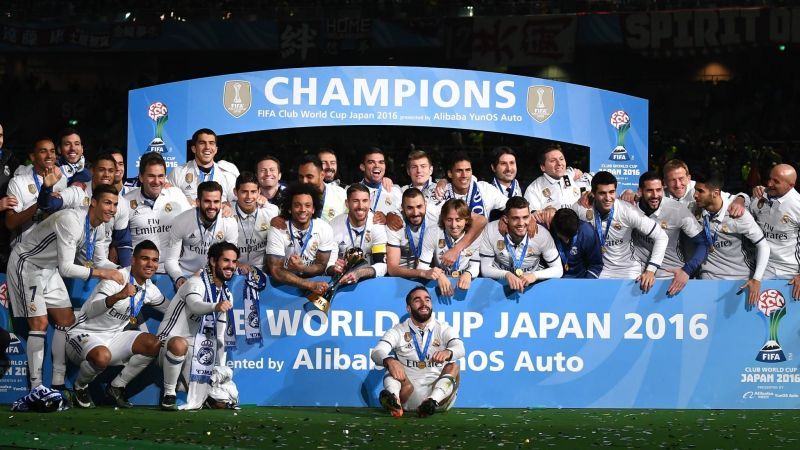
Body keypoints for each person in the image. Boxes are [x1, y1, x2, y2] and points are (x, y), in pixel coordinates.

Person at [7, 184, 124, 391]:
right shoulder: (71, 220)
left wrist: (124, 271)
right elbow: (68, 268)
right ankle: (37, 389)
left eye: (115, 204)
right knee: (40, 324)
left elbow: (99, 261)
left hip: (48, 269)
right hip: (26, 264)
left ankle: (58, 383)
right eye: (107, 203)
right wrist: (103, 273)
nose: (112, 209)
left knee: (66, 320)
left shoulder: (98, 226)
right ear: (93, 202)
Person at [66, 240, 167, 408]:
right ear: (133, 260)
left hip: (112, 338)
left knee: (153, 344)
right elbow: (91, 310)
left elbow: (171, 309)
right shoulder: (116, 278)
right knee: (101, 356)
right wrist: (118, 296)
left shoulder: (150, 289)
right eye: (145, 259)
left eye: (155, 260)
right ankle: (80, 387)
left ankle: (116, 388)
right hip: (83, 334)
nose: (150, 264)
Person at [155, 241, 238, 410]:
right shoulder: (195, 283)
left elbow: (219, 337)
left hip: (197, 349)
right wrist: (215, 306)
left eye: (234, 261)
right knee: (180, 344)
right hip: (169, 341)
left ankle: (190, 386)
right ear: (213, 262)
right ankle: (169, 393)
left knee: (220, 402)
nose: (231, 266)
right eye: (226, 261)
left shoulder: (226, 294)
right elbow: (195, 306)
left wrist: (219, 368)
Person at [371, 285, 465, 417]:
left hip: (439, 398)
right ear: (408, 308)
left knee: (453, 366)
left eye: (427, 299)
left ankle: (431, 402)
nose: (424, 303)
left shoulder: (443, 328)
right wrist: (389, 360)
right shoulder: (398, 331)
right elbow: (376, 352)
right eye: (417, 300)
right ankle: (394, 401)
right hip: (407, 393)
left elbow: (460, 348)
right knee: (392, 364)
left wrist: (448, 353)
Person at [37, 154, 133, 266]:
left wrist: (126, 274)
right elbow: (47, 206)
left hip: (99, 266)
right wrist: (46, 188)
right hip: (68, 267)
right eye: (101, 170)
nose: (106, 175)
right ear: (92, 171)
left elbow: (123, 243)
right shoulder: (77, 192)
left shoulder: (120, 203)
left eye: (110, 171)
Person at [693, 172, 769, 303]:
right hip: (708, 279)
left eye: (700, 191)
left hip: (739, 279)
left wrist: (757, 279)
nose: (695, 195)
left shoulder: (738, 214)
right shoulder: (694, 210)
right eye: (695, 190)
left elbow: (763, 246)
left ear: (715, 193)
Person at [632, 172, 708, 295]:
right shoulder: (630, 209)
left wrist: (687, 270)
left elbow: (703, 242)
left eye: (658, 190)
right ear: (640, 191)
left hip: (669, 275)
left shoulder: (677, 210)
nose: (655, 195)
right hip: (637, 274)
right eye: (649, 191)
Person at [125, 152, 192, 273]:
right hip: (139, 273)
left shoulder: (176, 194)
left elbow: (194, 224)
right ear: (141, 177)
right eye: (151, 176)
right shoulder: (126, 201)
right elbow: (120, 242)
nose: (157, 181)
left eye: (161, 176)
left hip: (173, 272)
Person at [163, 181, 238, 288]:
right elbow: (171, 260)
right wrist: (178, 277)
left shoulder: (229, 223)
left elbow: (230, 260)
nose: (212, 206)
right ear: (198, 202)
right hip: (186, 275)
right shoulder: (181, 221)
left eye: (216, 201)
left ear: (221, 203)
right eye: (207, 201)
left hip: (215, 278)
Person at [479, 196, 563, 292]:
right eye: (515, 218)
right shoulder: (491, 230)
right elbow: (485, 269)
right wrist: (506, 274)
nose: (521, 223)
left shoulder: (541, 234)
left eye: (525, 217)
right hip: (499, 283)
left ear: (530, 217)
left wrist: (534, 276)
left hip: (532, 285)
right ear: (506, 219)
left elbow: (558, 270)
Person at [265, 182, 336, 294]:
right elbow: (276, 270)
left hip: (313, 283)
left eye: (308, 205)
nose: (303, 209)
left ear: (313, 209)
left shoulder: (324, 229)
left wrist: (302, 268)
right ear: (289, 209)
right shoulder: (278, 228)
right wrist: (309, 285)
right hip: (283, 286)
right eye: (297, 205)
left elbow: (321, 266)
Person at [749, 164, 800, 297]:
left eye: (776, 181)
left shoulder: (797, 205)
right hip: (761, 271)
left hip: (791, 274)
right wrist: (741, 199)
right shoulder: (759, 197)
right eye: (770, 178)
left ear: (791, 185)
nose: (769, 183)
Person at [5, 138, 68, 243]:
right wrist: (40, 203)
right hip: (25, 250)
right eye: (43, 151)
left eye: (52, 151)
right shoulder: (18, 182)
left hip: (52, 249)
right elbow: (10, 223)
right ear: (33, 157)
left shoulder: (62, 179)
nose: (49, 155)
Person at [418, 199, 480, 297]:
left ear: (466, 220)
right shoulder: (433, 232)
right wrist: (439, 275)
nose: (454, 225)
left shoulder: (474, 235)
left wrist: (469, 273)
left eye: (458, 220)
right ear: (443, 219)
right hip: (439, 283)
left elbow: (476, 265)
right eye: (449, 220)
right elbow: (421, 266)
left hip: (464, 283)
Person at [328, 184, 388, 283]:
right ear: (347, 203)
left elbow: (382, 264)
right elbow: (329, 264)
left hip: (369, 280)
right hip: (341, 279)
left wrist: (360, 273)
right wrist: (334, 268)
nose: (360, 206)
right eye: (355, 201)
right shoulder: (334, 226)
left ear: (370, 203)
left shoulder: (377, 226)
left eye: (365, 201)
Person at [386, 188, 444, 280]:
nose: (416, 213)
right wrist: (423, 273)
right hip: (401, 277)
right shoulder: (395, 222)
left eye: (419, 206)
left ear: (425, 204)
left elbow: (468, 220)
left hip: (430, 272)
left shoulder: (436, 214)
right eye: (410, 208)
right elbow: (393, 269)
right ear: (402, 207)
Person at [168, 128, 237, 203]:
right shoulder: (178, 173)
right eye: (202, 143)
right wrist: (185, 202)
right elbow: (168, 202)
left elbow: (237, 204)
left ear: (216, 149)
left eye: (211, 143)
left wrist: (228, 206)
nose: (207, 147)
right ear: (194, 148)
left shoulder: (227, 175)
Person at [232, 171, 279, 272]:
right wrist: (236, 264)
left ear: (259, 191)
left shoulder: (272, 211)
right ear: (235, 192)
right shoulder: (226, 213)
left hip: (265, 271)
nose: (249, 197)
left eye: (253, 192)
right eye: (244, 192)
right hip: (233, 270)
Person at [524, 144, 591, 212]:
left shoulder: (572, 177)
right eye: (553, 161)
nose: (559, 163)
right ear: (543, 167)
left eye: (561, 159)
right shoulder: (534, 189)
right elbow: (531, 217)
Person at [442, 151, 506, 219]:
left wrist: (504, 220)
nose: (464, 175)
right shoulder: (441, 192)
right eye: (459, 171)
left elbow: (510, 206)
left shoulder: (485, 189)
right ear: (450, 174)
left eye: (468, 170)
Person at [548, 208, 603, 279]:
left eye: (570, 237)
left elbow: (596, 264)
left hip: (581, 279)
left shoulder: (587, 232)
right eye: (563, 237)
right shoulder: (548, 229)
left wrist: (586, 283)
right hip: (556, 279)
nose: (566, 241)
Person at [298, 154, 346, 222]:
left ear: (322, 175)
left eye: (309, 177)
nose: (304, 181)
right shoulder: (293, 196)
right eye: (301, 177)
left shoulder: (342, 195)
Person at [356, 147, 402, 215]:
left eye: (381, 162)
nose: (377, 165)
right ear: (362, 167)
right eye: (371, 162)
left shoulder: (395, 191)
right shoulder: (352, 191)